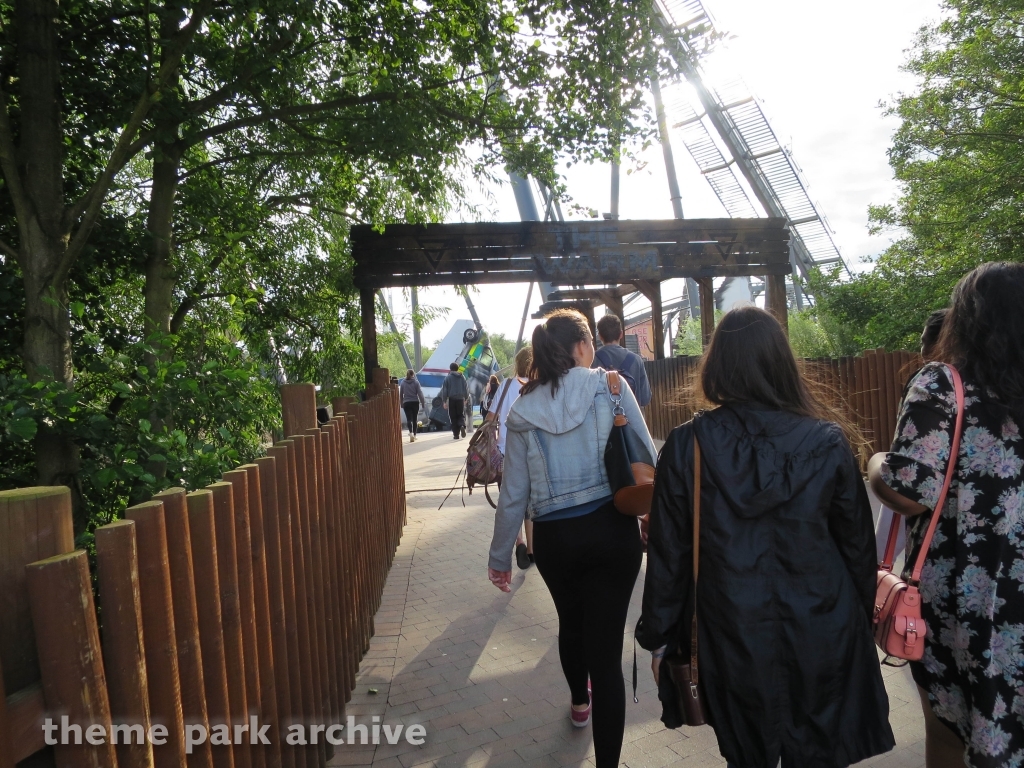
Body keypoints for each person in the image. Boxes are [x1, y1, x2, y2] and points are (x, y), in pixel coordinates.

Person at [638, 305, 894, 768]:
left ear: (716, 365)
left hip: (729, 630)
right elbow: (857, 547)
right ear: (782, 363)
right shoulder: (826, 440)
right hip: (823, 622)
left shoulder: (687, 444)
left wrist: (659, 637)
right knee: (818, 750)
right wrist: (860, 622)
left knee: (745, 752)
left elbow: (668, 555)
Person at [868, 262, 1024, 768]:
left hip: (966, 597)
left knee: (949, 730)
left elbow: (908, 493)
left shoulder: (943, 384)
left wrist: (875, 463)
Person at [487, 309, 656, 768]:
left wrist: (500, 557)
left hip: (555, 541)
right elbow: (647, 456)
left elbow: (514, 494)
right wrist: (651, 518)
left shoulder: (523, 411)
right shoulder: (612, 387)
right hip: (612, 534)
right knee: (607, 656)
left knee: (571, 622)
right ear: (582, 347)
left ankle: (579, 703)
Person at [489, 345, 534, 569]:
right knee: (530, 500)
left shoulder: (505, 385)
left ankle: (519, 543)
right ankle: (532, 549)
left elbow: (490, 417)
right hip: (530, 450)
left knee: (511, 499)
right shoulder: (537, 387)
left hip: (504, 450)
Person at [591, 313, 652, 406]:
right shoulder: (636, 360)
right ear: (621, 334)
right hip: (632, 414)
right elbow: (645, 399)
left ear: (600, 336)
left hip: (602, 414)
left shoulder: (592, 360)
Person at [439, 362, 470, 440]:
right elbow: (466, 388)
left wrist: (444, 401)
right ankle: (462, 425)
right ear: (457, 368)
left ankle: (456, 434)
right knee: (460, 415)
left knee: (453, 417)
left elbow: (445, 390)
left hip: (452, 400)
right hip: (460, 399)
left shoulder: (447, 378)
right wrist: (466, 398)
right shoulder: (462, 377)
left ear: (450, 369)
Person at [398, 369, 426, 443]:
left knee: (409, 419)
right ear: (413, 374)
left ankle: (410, 433)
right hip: (415, 402)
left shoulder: (403, 383)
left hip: (406, 403)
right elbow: (420, 393)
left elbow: (401, 394)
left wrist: (401, 403)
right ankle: (415, 435)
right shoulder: (416, 382)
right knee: (414, 419)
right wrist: (423, 403)